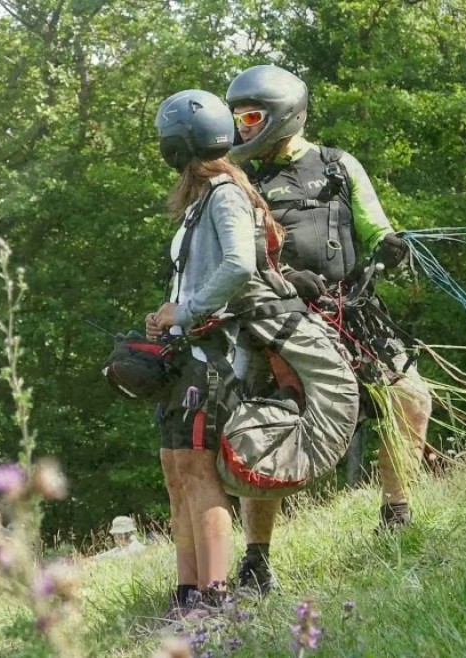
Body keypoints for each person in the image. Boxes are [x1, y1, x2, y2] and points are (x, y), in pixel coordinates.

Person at [148, 88, 356, 618]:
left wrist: (187, 310)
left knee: (200, 473)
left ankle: (215, 595)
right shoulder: (203, 198)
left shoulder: (224, 193)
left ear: (178, 146)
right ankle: (187, 592)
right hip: (191, 349)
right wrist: (168, 315)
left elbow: (239, 265)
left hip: (216, 353)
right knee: (178, 469)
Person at [226, 64, 433, 594]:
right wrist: (280, 279)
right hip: (276, 322)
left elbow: (374, 223)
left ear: (283, 115)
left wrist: (389, 243)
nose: (242, 129)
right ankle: (256, 559)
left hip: (351, 309)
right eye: (238, 119)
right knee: (263, 428)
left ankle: (396, 515)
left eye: (251, 118)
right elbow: (235, 258)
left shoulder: (339, 166)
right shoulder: (240, 183)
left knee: (411, 398)